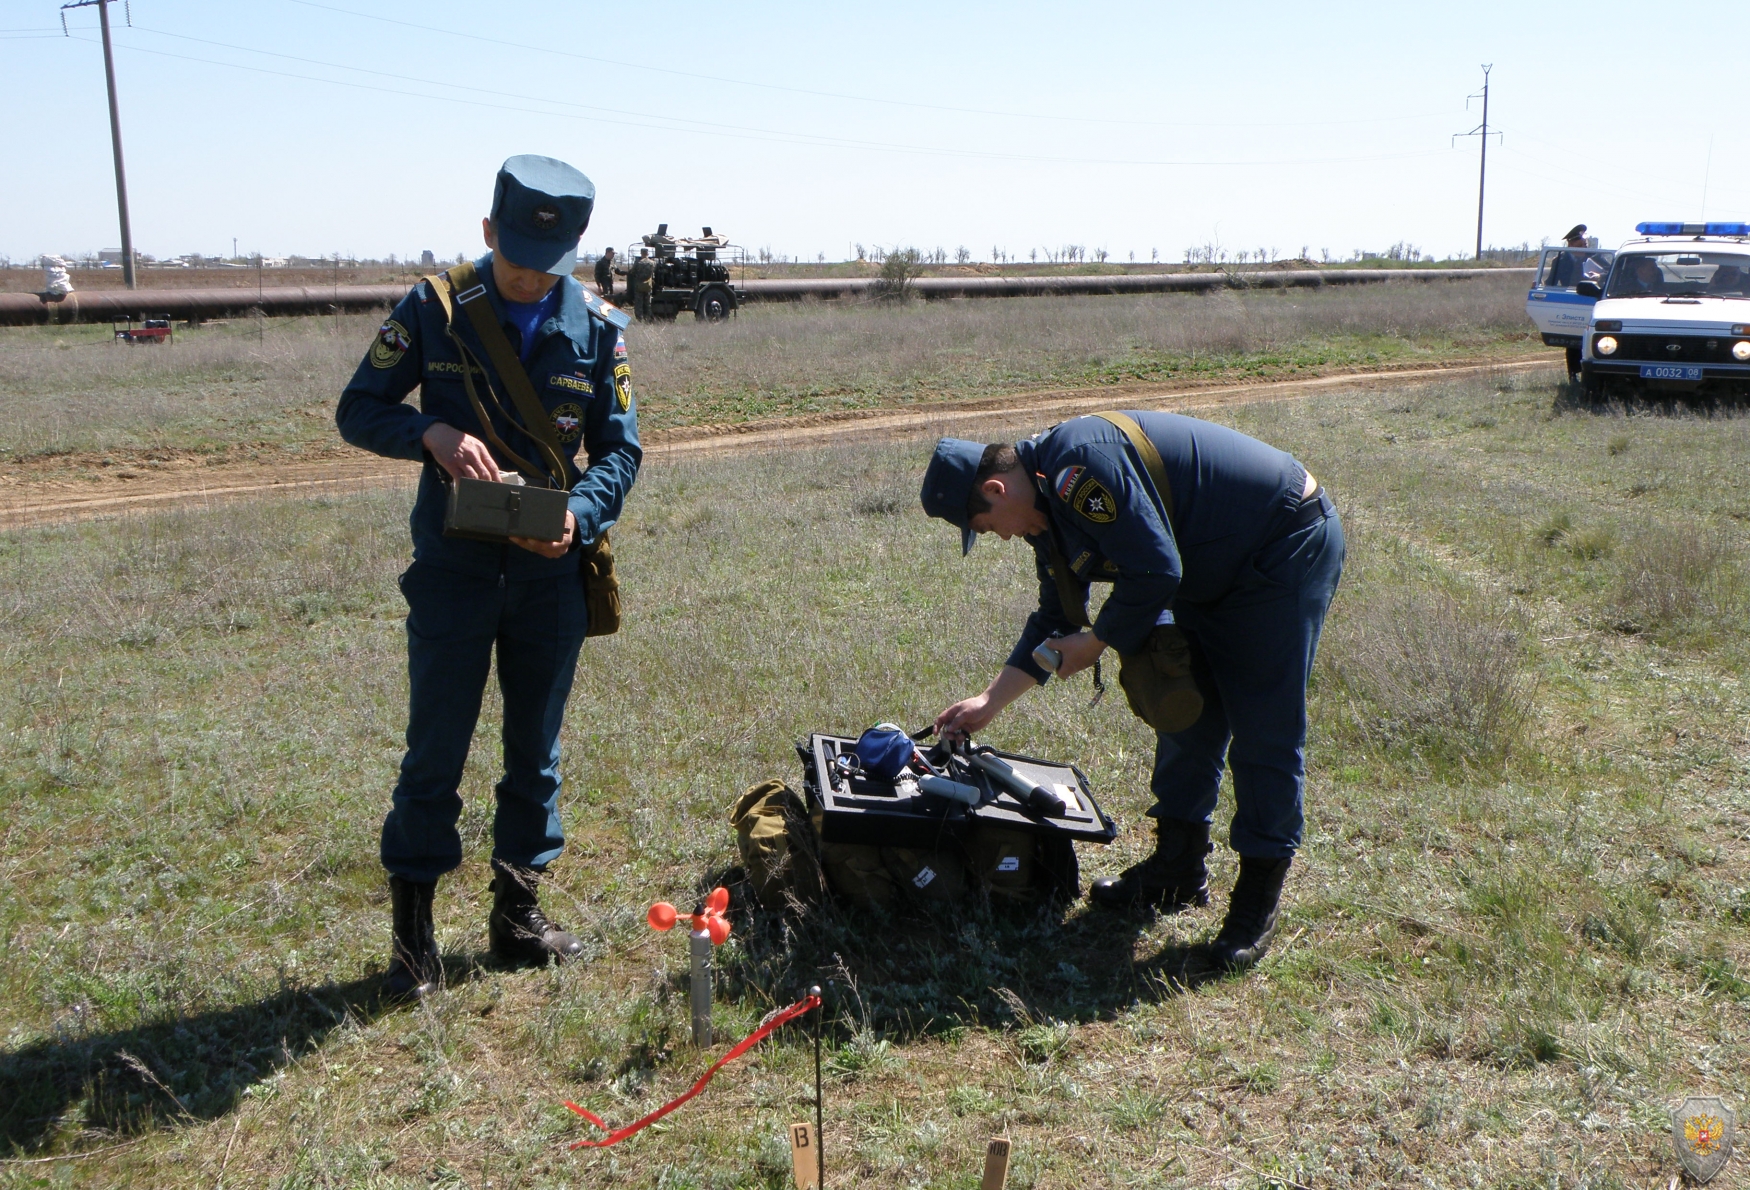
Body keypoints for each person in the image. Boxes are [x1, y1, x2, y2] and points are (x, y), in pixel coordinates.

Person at [336, 154, 640, 1001]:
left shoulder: (599, 330)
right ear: (485, 233)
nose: (526, 277)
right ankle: (414, 943)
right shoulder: (433, 312)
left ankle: (516, 918)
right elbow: (358, 408)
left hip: (549, 580)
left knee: (534, 755)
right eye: (512, 260)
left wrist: (581, 512)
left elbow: (621, 450)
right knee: (435, 751)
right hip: (455, 571)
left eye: (545, 266)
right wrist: (429, 432)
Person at [921, 411, 1344, 971]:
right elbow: (1056, 613)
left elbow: (1155, 569)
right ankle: (1178, 867)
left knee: (1264, 728)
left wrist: (1097, 641)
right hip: (1204, 567)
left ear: (997, 488)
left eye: (986, 523)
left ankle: (1256, 898)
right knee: (1184, 708)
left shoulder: (1077, 468)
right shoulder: (1045, 506)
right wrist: (989, 701)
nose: (998, 536)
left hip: (1278, 545)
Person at [630, 248, 656, 321]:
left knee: (639, 303)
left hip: (639, 285)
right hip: (648, 285)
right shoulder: (652, 263)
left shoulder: (638, 262)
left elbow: (632, 272)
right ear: (648, 253)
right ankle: (647, 317)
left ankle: (640, 318)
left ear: (641, 253)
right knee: (647, 302)